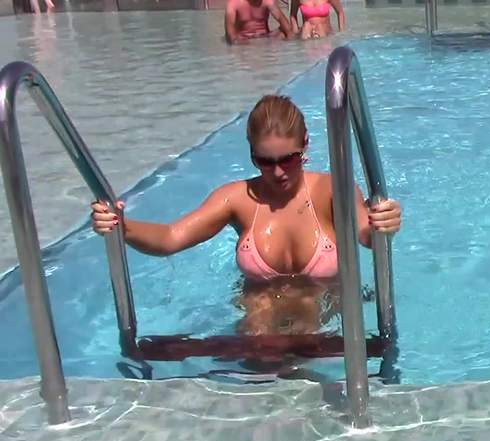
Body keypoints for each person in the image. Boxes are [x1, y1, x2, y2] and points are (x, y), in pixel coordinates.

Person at [90, 95, 402, 337]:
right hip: (257, 329)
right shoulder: (237, 199)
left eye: (288, 160)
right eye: (264, 161)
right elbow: (170, 238)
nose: (277, 172)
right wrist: (122, 226)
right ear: (251, 152)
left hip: (324, 325)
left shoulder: (333, 190)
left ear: (305, 144)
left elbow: (366, 234)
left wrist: (383, 223)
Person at [224, 0, 298, 45]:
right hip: (244, 39)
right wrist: (242, 43)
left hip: (265, 37)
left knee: (282, 32)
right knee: (234, 41)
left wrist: (292, 45)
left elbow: (286, 27)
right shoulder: (234, 4)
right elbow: (230, 34)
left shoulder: (268, 1)